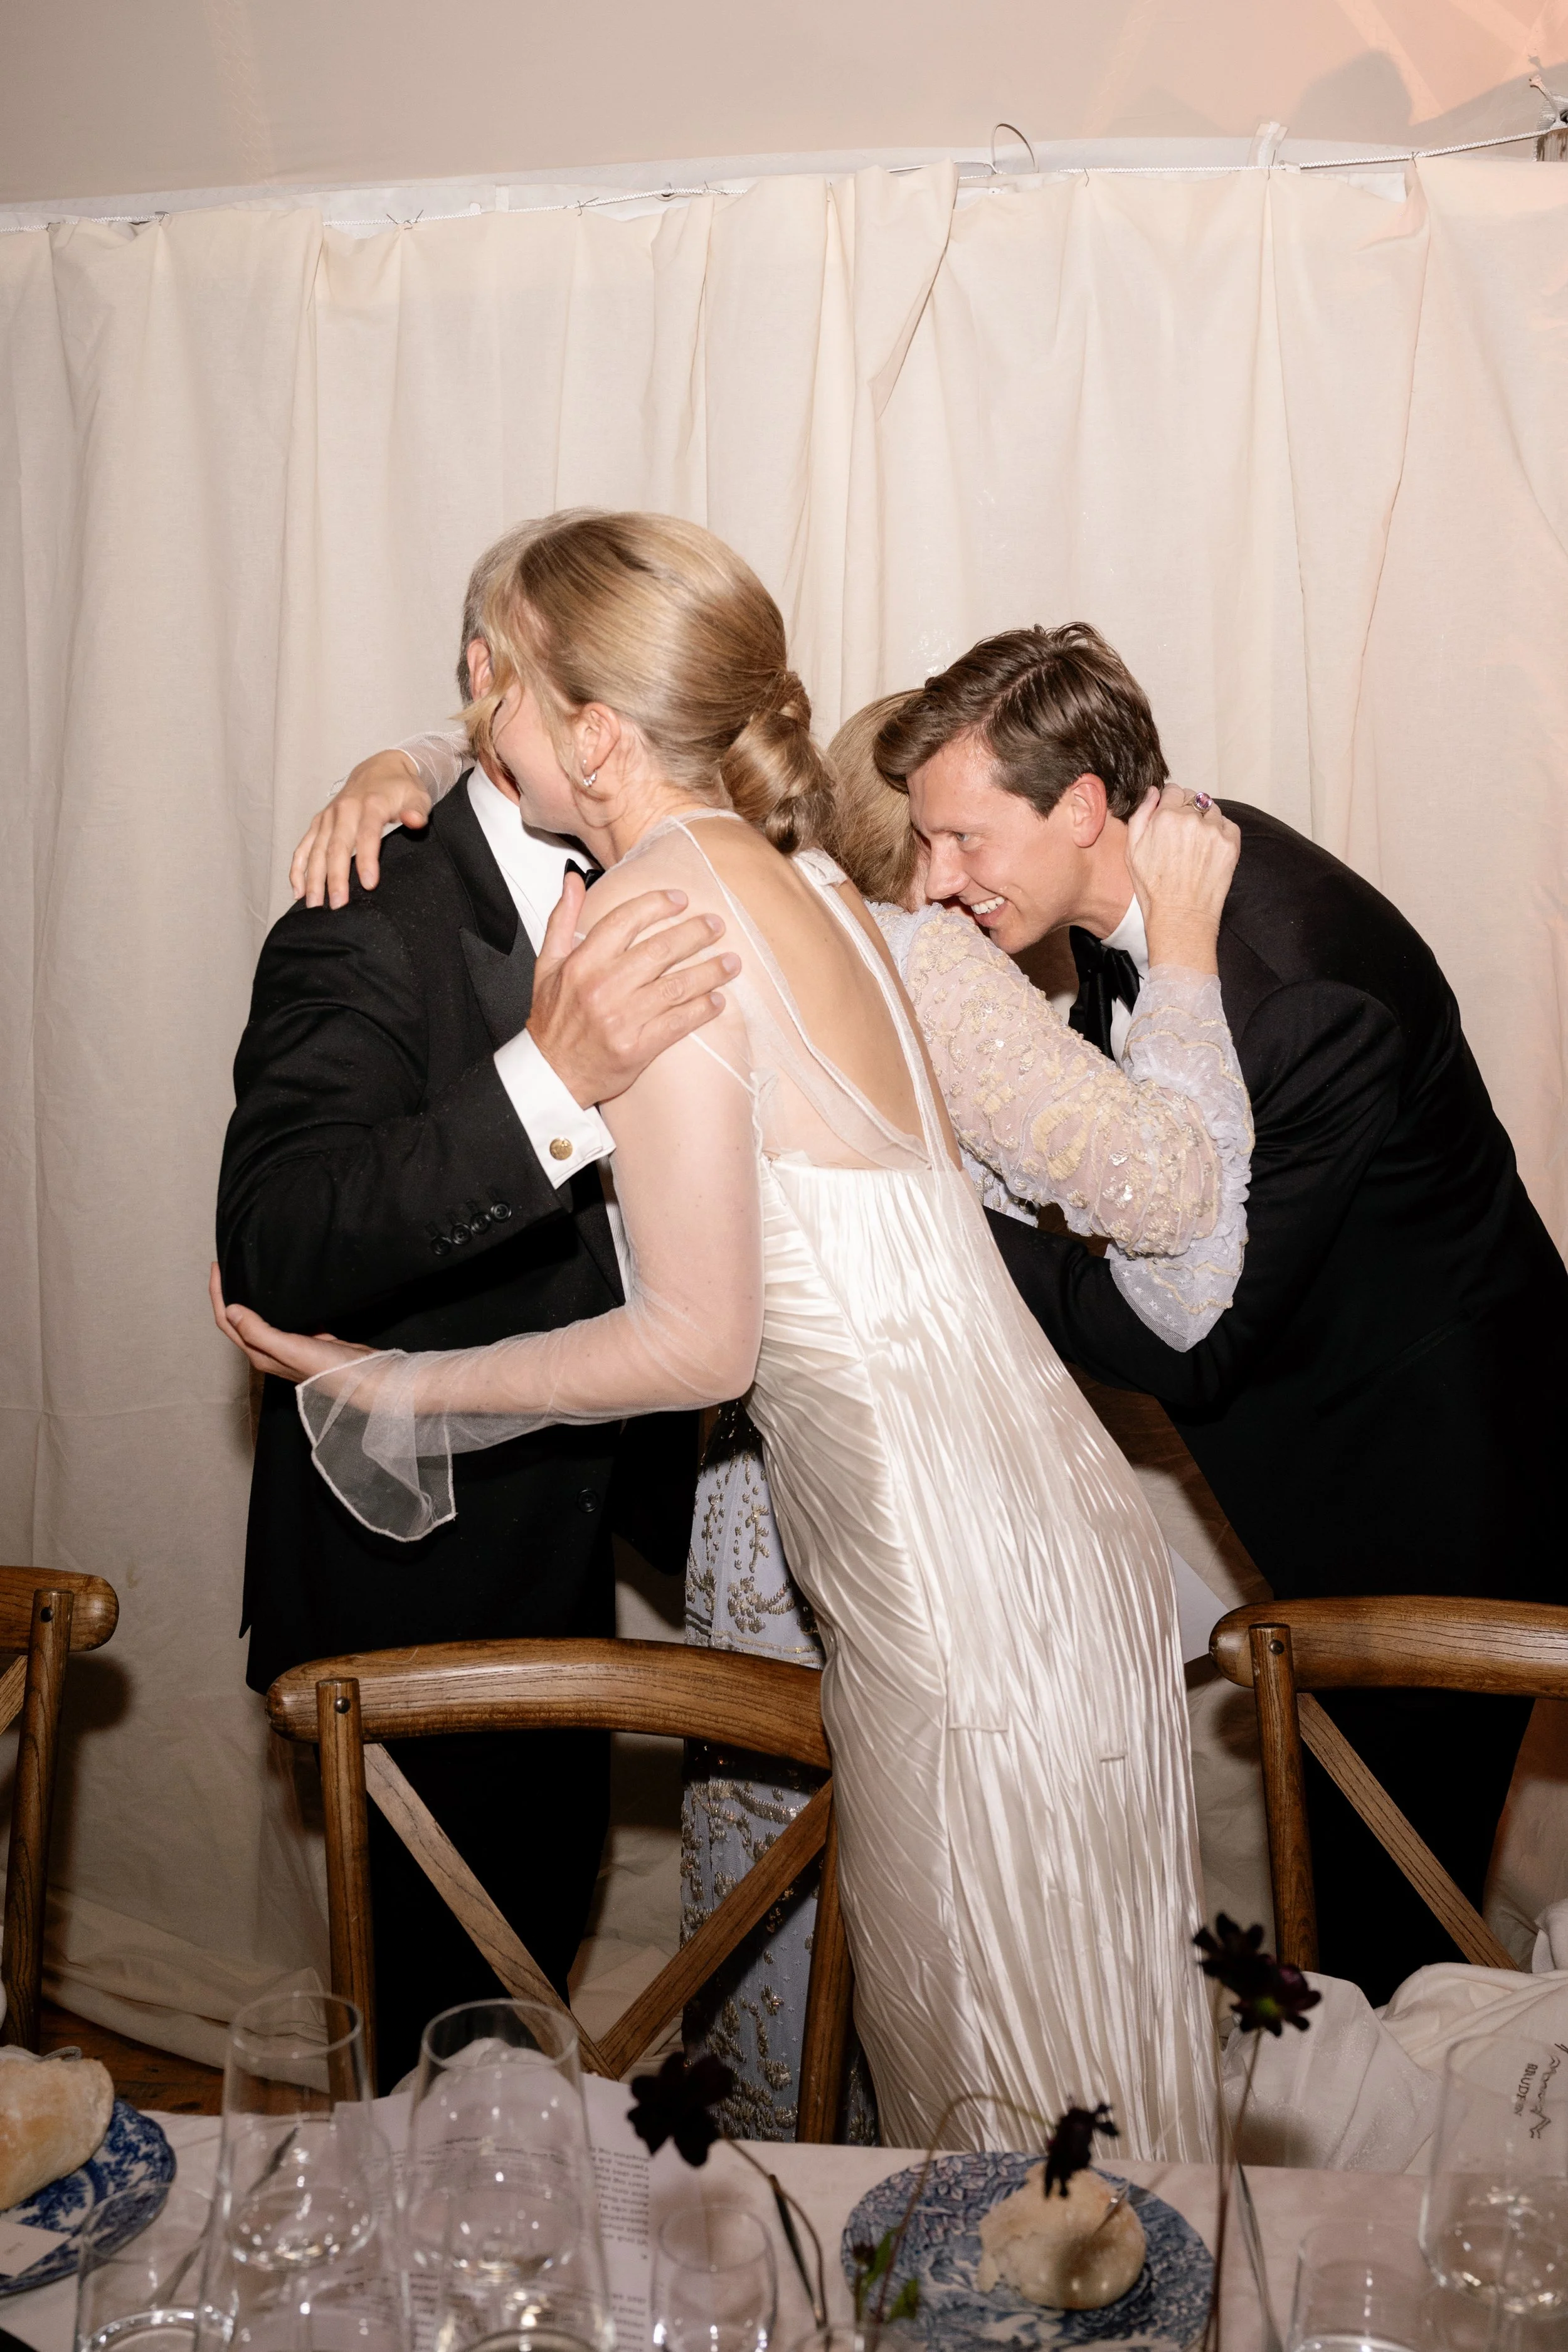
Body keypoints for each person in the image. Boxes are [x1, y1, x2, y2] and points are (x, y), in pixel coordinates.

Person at [216, 509, 1239, 2158]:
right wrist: (397, 759)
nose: (473, 703)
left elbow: (697, 1343)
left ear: (590, 725)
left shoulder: (662, 911)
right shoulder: (821, 882)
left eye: (501, 685)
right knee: (1080, 2108)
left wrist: (391, 1382)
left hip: (940, 1598)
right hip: (1051, 1549)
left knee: (984, 2124)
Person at [877, 623, 1568, 2005]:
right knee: (1340, 1906)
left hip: (1435, 1504)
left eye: (962, 841)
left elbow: (1192, 1343)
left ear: (1081, 807)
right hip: (1336, 1462)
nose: (936, 880)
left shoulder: (1296, 994)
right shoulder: (1168, 883)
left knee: (1390, 1943)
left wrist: (935, 1222)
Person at [216, 522, 734, 2087]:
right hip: (412, 1591)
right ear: (486, 679)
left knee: (531, 2008)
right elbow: (278, 1241)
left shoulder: (667, 866)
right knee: (423, 2058)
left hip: (589, 1563)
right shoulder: (361, 908)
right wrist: (550, 1086)